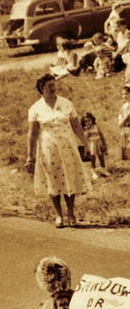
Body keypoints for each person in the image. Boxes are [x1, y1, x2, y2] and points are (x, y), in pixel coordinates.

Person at [26, 74, 91, 228]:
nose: (53, 88)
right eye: (49, 86)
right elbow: (32, 133)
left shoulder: (66, 104)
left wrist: (86, 144)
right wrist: (30, 155)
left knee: (69, 178)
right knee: (53, 181)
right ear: (41, 88)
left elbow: (76, 126)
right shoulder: (35, 108)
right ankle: (58, 215)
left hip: (67, 147)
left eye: (53, 85)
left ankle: (71, 213)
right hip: (48, 149)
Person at [80, 113, 109, 180]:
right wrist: (86, 131)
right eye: (86, 121)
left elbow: (102, 136)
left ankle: (103, 170)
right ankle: (93, 172)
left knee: (101, 157)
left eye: (89, 120)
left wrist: (105, 144)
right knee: (92, 158)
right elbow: (85, 139)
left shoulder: (96, 127)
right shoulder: (85, 130)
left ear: (92, 120)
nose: (88, 122)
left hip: (99, 144)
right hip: (91, 145)